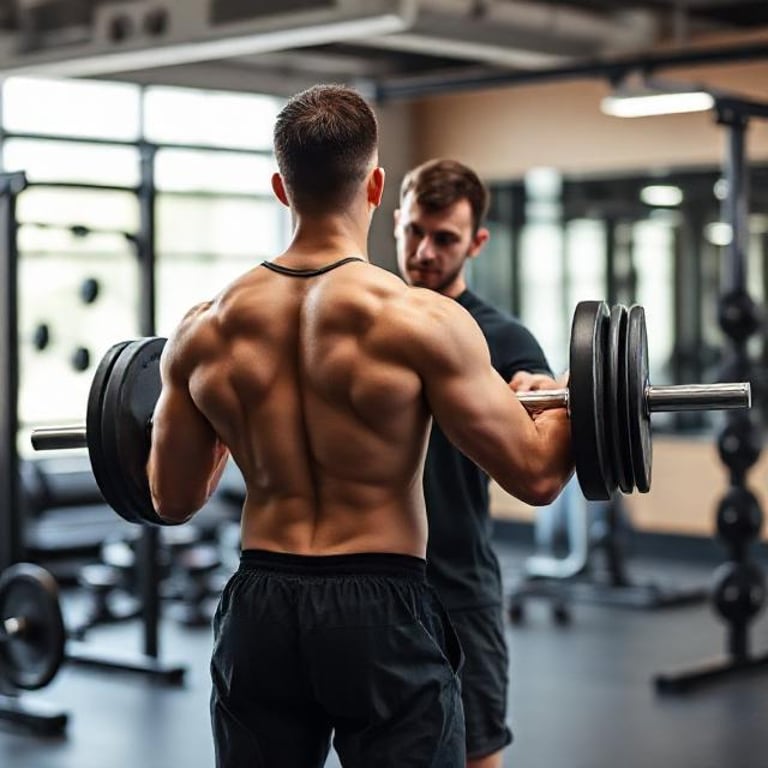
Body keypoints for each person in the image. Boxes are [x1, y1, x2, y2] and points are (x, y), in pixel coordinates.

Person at [146, 84, 573, 768]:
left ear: (281, 188)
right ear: (377, 186)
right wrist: (568, 401)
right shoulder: (419, 322)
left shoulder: (203, 330)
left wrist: (232, 425)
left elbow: (172, 498)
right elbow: (539, 474)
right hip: (382, 608)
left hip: (258, 604)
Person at [394, 158, 561, 768]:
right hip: (378, 586)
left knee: (476, 752)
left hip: (460, 582)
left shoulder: (502, 337)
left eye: (445, 239)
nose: (425, 251)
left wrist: (542, 393)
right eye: (414, 231)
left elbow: (545, 440)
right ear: (395, 223)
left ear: (476, 243)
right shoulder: (370, 322)